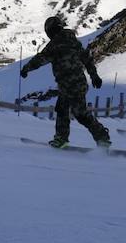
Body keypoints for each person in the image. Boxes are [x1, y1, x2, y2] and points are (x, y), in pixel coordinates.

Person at [20, 15, 111, 148]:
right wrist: (94, 76)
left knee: (80, 114)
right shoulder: (73, 41)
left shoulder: (55, 45)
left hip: (69, 85)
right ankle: (62, 138)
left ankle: (101, 137)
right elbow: (86, 58)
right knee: (63, 109)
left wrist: (26, 69)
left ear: (50, 30)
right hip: (77, 84)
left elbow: (41, 59)